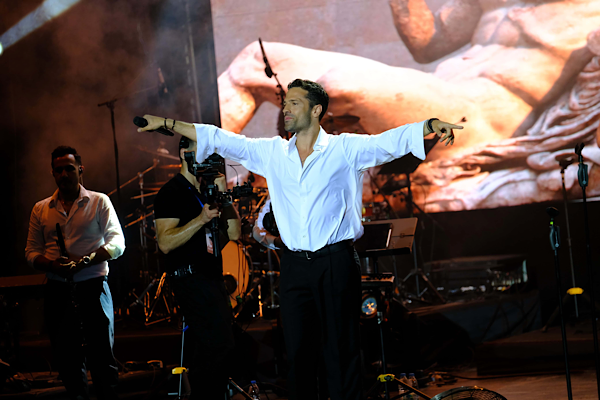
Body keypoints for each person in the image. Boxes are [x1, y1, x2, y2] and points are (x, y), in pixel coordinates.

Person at [138, 78, 460, 400]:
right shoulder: (273, 153)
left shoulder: (344, 148)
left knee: (341, 351)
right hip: (294, 267)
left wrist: (429, 125)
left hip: (335, 261)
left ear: (316, 110)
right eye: (285, 103)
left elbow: (389, 142)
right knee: (298, 354)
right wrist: (168, 123)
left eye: (294, 103)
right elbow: (222, 138)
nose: (286, 109)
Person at [25, 146, 125, 400]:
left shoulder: (99, 201)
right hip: (58, 289)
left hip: (93, 286)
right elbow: (31, 252)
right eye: (58, 170)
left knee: (102, 359)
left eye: (69, 169)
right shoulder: (40, 208)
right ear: (52, 173)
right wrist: (52, 265)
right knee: (68, 362)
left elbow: (117, 243)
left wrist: (85, 261)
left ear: (81, 170)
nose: (63, 174)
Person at [153, 137, 241, 399]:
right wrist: (200, 219)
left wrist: (225, 197)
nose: (205, 156)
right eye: (200, 150)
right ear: (184, 153)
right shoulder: (171, 192)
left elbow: (234, 233)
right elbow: (165, 243)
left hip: (212, 278)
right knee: (216, 347)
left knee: (219, 348)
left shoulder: (206, 191)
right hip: (190, 280)